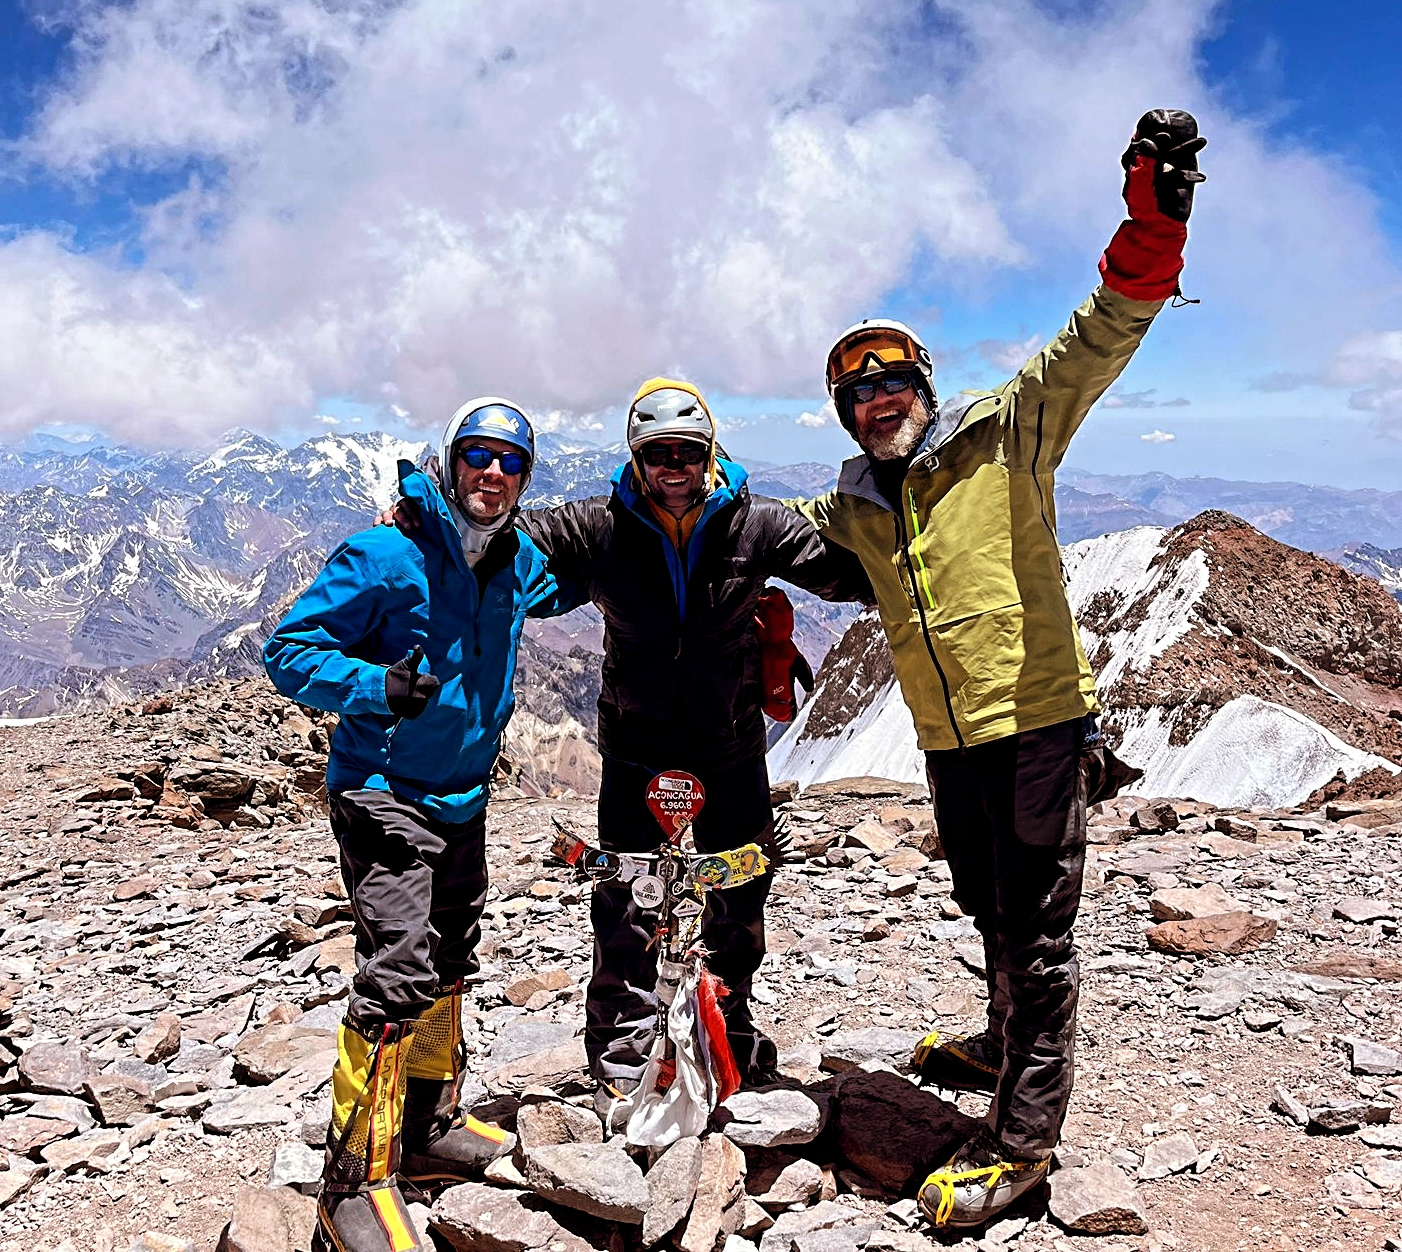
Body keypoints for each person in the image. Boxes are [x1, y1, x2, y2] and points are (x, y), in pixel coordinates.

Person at [790, 112, 1207, 1229]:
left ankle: (1020, 1147)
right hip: (946, 741)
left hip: (1034, 725)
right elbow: (758, 530)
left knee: (1038, 929)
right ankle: (1002, 1041)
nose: (879, 401)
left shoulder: (1007, 433)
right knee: (987, 902)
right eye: (857, 394)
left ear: (923, 381)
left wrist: (1149, 228)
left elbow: (1102, 334)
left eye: (892, 380)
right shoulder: (857, 508)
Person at [264, 398, 571, 1252]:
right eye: (478, 455)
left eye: (512, 462)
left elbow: (579, 570)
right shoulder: (384, 553)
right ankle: (352, 1178)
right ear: (450, 461)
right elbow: (287, 649)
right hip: (384, 791)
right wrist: (374, 686)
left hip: (463, 799)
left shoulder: (517, 563)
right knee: (396, 969)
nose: (494, 473)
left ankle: (430, 1121)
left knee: (445, 960)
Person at [517, 379, 874, 1113]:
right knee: (626, 893)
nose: (672, 465)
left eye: (686, 450)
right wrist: (422, 516)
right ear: (637, 458)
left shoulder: (757, 525)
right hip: (638, 745)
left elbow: (847, 572)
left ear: (710, 453)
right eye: (657, 453)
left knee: (740, 892)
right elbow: (506, 532)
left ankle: (725, 1026)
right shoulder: (601, 525)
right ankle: (622, 1045)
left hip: (729, 741)